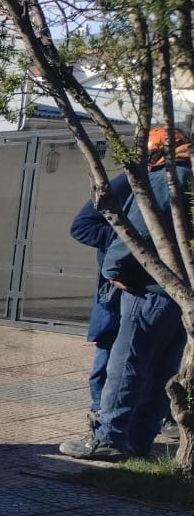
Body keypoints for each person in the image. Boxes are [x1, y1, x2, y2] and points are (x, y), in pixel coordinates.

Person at [60, 127, 191, 462]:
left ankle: (109, 439)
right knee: (163, 369)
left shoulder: (163, 181)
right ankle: (139, 441)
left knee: (127, 364)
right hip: (181, 297)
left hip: (147, 291)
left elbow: (138, 230)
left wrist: (114, 269)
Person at [58, 170, 130, 451]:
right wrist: (128, 238)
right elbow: (81, 227)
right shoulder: (127, 182)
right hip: (116, 289)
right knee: (108, 354)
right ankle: (100, 417)